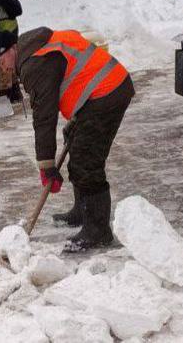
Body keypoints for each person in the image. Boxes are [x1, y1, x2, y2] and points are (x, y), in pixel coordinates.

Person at [9, 27, 134, 252]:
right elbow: (74, 77)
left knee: (86, 161)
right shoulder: (39, 46)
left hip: (107, 93)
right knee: (76, 143)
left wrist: (46, 165)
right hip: (100, 91)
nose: (4, 68)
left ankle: (98, 230)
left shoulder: (34, 63)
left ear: (12, 49)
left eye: (1, 61)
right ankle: (82, 211)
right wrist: (75, 120)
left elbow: (44, 117)